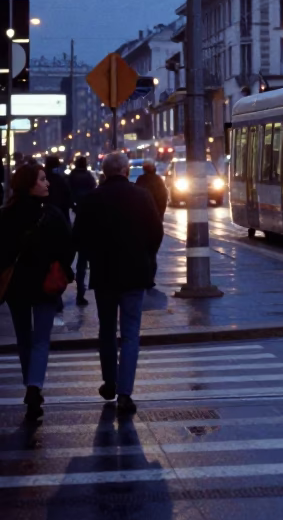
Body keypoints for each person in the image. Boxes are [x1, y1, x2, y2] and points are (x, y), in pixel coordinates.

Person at [74, 150, 164, 415]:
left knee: (106, 331)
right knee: (130, 333)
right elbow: (156, 233)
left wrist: (93, 257)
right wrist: (146, 257)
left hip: (104, 275)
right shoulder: (142, 196)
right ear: (126, 171)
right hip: (135, 274)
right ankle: (125, 393)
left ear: (104, 172)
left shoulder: (92, 198)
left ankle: (109, 382)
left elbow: (78, 236)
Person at [0, 163, 74, 418]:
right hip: (45, 285)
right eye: (42, 179)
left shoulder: (6, 214)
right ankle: (34, 387)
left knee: (23, 338)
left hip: (17, 287)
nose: (48, 183)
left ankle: (29, 384)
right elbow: (68, 246)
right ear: (30, 183)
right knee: (41, 339)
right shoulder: (52, 214)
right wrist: (62, 269)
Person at [68, 155, 97, 305]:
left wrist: (74, 206)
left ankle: (80, 291)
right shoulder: (89, 177)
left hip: (79, 223)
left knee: (80, 263)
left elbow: (69, 193)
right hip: (91, 224)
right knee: (93, 262)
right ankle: (94, 287)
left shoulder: (72, 176)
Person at [135, 160, 168, 287]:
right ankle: (150, 278)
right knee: (152, 251)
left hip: (142, 220)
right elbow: (163, 199)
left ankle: (145, 276)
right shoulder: (158, 181)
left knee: (143, 250)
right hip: (155, 220)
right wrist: (160, 214)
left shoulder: (140, 180)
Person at [42, 154, 73, 223]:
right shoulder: (61, 179)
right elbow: (67, 193)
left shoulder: (43, 179)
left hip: (48, 211)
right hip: (61, 210)